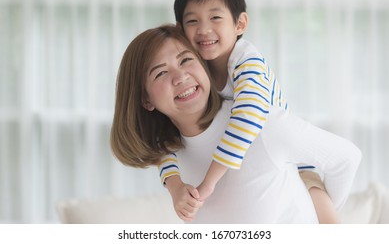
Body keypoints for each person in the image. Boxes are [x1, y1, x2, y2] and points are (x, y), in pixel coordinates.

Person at [110, 24, 361, 223]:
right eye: (161, 73)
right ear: (146, 100)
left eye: (186, 60)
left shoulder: (263, 123)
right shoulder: (169, 157)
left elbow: (347, 158)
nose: (181, 76)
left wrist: (322, 213)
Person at [158, 0, 340, 223]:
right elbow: (162, 137)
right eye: (192, 21)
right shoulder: (196, 70)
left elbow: (249, 115)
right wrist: (174, 185)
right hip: (249, 171)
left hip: (292, 160)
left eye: (215, 17)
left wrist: (209, 181)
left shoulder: (247, 60)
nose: (204, 29)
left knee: (323, 209)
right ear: (180, 30)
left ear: (240, 24)